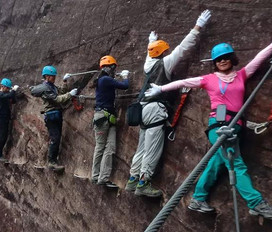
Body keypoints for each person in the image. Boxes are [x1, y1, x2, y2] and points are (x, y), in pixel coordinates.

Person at [145, 42, 272, 218]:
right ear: (214, 62)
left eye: (226, 57)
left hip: (235, 127)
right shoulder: (209, 79)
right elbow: (184, 82)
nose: (223, 61)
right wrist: (161, 88)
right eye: (219, 59)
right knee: (236, 165)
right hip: (220, 128)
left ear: (232, 59)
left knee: (217, 163)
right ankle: (256, 202)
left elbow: (259, 58)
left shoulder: (241, 75)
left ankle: (198, 198)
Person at [125, 10, 212, 197]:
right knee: (153, 147)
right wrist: (198, 26)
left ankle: (132, 179)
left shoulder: (148, 66)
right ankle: (143, 182)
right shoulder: (165, 63)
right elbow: (183, 47)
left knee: (141, 146)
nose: (168, 52)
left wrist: (150, 42)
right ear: (163, 52)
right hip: (155, 109)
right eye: (165, 50)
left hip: (142, 109)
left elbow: (150, 56)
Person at [91, 55, 129, 188]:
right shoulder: (105, 79)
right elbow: (125, 86)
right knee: (101, 147)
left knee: (109, 148)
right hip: (103, 116)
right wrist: (125, 77)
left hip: (107, 117)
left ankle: (102, 177)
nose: (114, 70)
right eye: (113, 68)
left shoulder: (102, 79)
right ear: (109, 67)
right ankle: (96, 176)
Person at [30, 66, 77, 172]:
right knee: (55, 138)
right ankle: (51, 162)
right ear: (46, 76)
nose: (54, 78)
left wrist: (65, 82)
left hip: (56, 114)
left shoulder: (52, 86)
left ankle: (53, 160)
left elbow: (60, 91)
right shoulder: (46, 89)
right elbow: (57, 99)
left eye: (54, 76)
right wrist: (70, 94)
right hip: (51, 115)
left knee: (57, 137)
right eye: (52, 76)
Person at [0, 78, 19, 161]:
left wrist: (13, 93)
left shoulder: (6, 95)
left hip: (5, 118)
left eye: (9, 88)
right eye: (7, 88)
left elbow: (13, 100)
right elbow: (9, 95)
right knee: (2, 136)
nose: (8, 90)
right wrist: (13, 90)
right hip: (1, 119)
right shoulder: (0, 94)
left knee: (3, 136)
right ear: (2, 86)